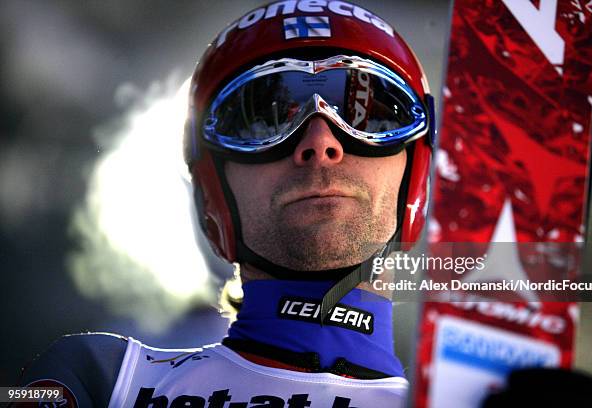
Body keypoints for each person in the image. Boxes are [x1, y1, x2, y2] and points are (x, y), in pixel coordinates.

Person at [15, 1, 434, 406]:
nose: (320, 142)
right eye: (264, 118)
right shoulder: (97, 380)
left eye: (369, 115)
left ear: (415, 169)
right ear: (213, 187)